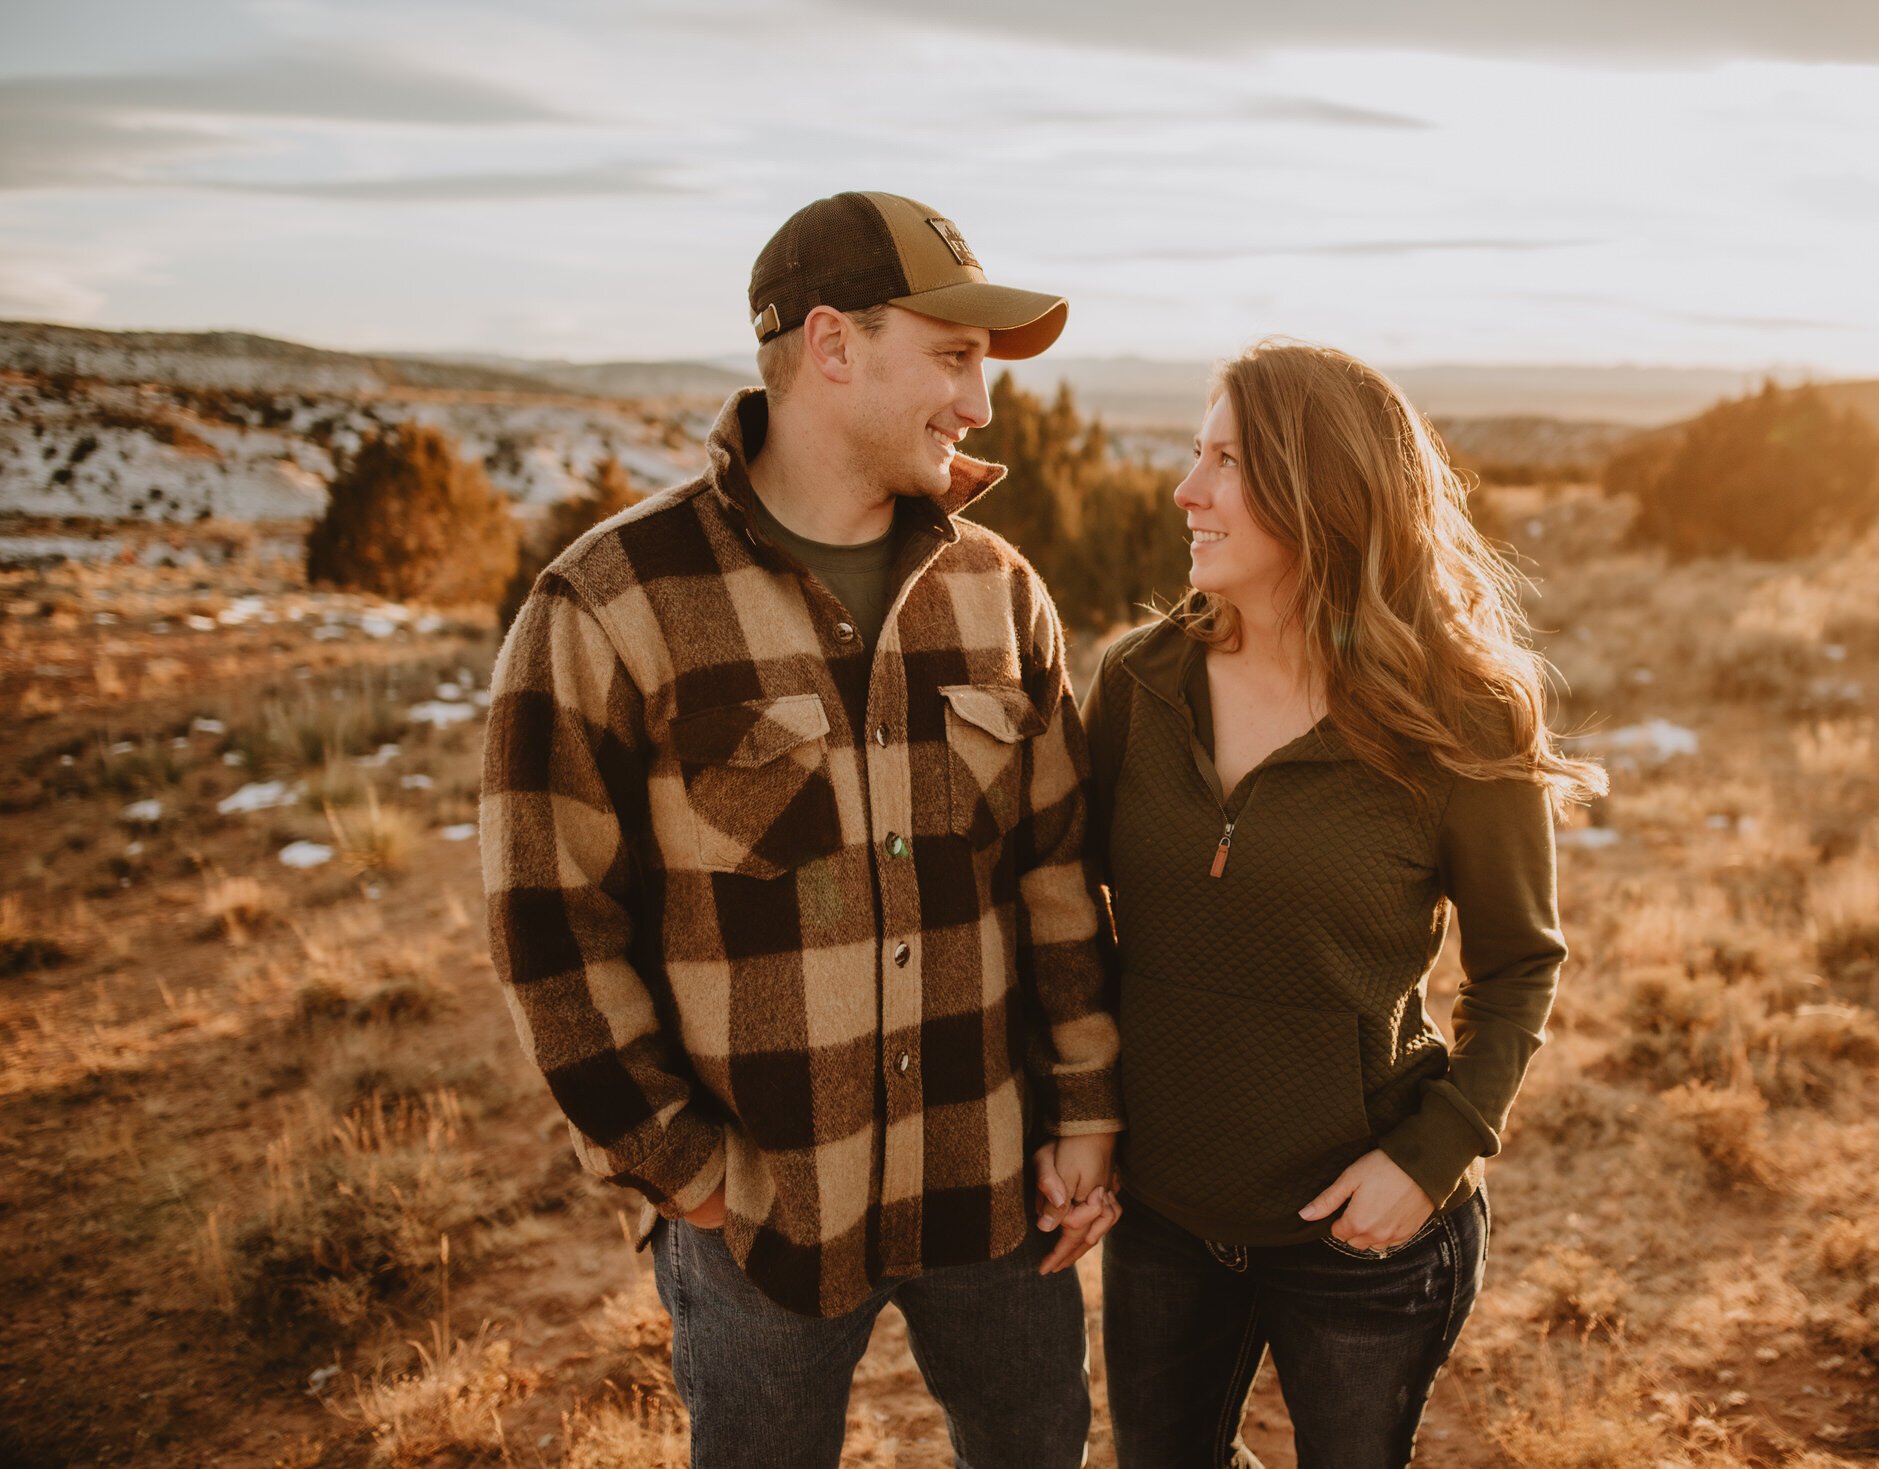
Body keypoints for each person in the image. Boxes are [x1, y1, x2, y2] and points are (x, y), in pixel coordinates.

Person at [480, 190, 1124, 1469]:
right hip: (758, 1215)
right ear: (832, 346)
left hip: (991, 1184)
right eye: (953, 357)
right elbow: (551, 929)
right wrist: (688, 1172)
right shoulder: (611, 601)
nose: (981, 403)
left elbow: (1056, 877)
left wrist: (1089, 1108)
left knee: (1037, 1446)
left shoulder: (1000, 595)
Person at [1082, 340, 1606, 1468]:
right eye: (1193, 453)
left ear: (1321, 491)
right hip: (1167, 1210)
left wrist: (1432, 1156)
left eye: (1227, 461)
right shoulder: (1136, 684)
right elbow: (1066, 915)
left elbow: (1518, 964)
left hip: (1360, 1221)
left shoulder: (1461, 716)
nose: (1188, 490)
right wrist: (1081, 1111)